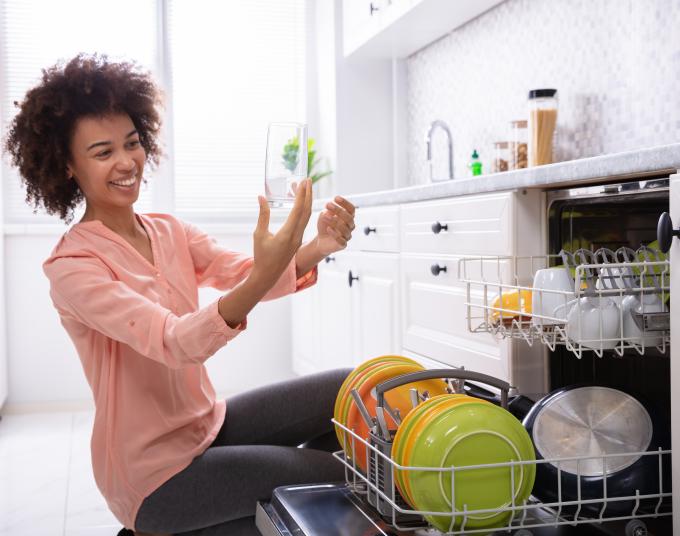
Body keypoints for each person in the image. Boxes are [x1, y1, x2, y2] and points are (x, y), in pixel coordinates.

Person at [3, 53, 356, 536]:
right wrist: (262, 275)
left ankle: (266, 516)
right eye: (103, 153)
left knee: (349, 390)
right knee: (341, 482)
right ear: (67, 167)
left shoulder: (168, 230)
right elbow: (174, 342)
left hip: (206, 426)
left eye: (132, 144)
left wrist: (318, 247)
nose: (126, 162)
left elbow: (244, 273)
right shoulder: (73, 267)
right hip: (155, 475)